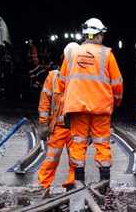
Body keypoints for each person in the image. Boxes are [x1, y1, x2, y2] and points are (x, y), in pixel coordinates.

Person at [59, 17, 123, 185]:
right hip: (101, 108)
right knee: (102, 143)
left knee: (78, 142)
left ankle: (78, 182)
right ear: (99, 35)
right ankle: (104, 183)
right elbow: (117, 83)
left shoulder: (71, 53)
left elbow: (61, 81)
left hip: (77, 108)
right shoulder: (107, 54)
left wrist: (68, 102)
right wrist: (116, 102)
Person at [36, 42, 79, 192]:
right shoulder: (53, 77)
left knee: (76, 160)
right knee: (51, 159)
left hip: (75, 127)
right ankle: (43, 186)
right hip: (58, 127)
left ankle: (72, 186)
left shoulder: (81, 79)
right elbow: (45, 101)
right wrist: (43, 124)